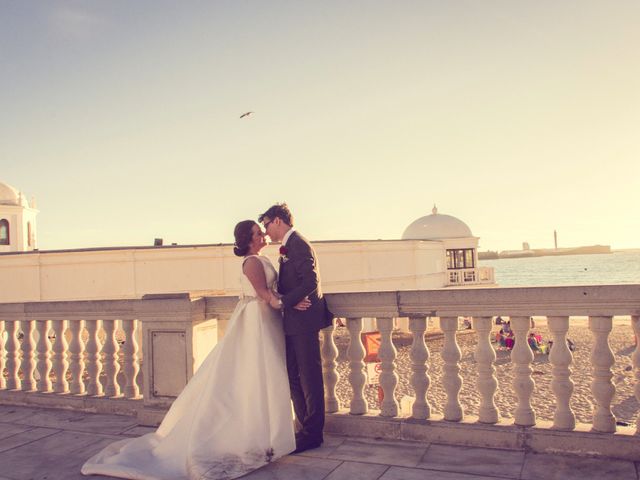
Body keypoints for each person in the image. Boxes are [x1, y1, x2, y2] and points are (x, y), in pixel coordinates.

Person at [82, 220, 310, 480]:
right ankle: (251, 435)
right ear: (249, 240)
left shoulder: (263, 260)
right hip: (256, 321)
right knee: (253, 374)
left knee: (266, 375)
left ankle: (267, 433)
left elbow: (271, 292)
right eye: (258, 233)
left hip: (266, 321)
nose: (263, 235)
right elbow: (264, 295)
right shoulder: (252, 263)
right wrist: (293, 304)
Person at [259, 203, 334, 454]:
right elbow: (295, 283)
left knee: (309, 377)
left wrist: (285, 301)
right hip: (293, 320)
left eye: (267, 224)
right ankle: (304, 428)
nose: (266, 231)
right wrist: (288, 297)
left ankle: (313, 434)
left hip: (304, 321)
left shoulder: (299, 244)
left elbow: (311, 281)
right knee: (293, 374)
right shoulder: (288, 246)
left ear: (278, 221)